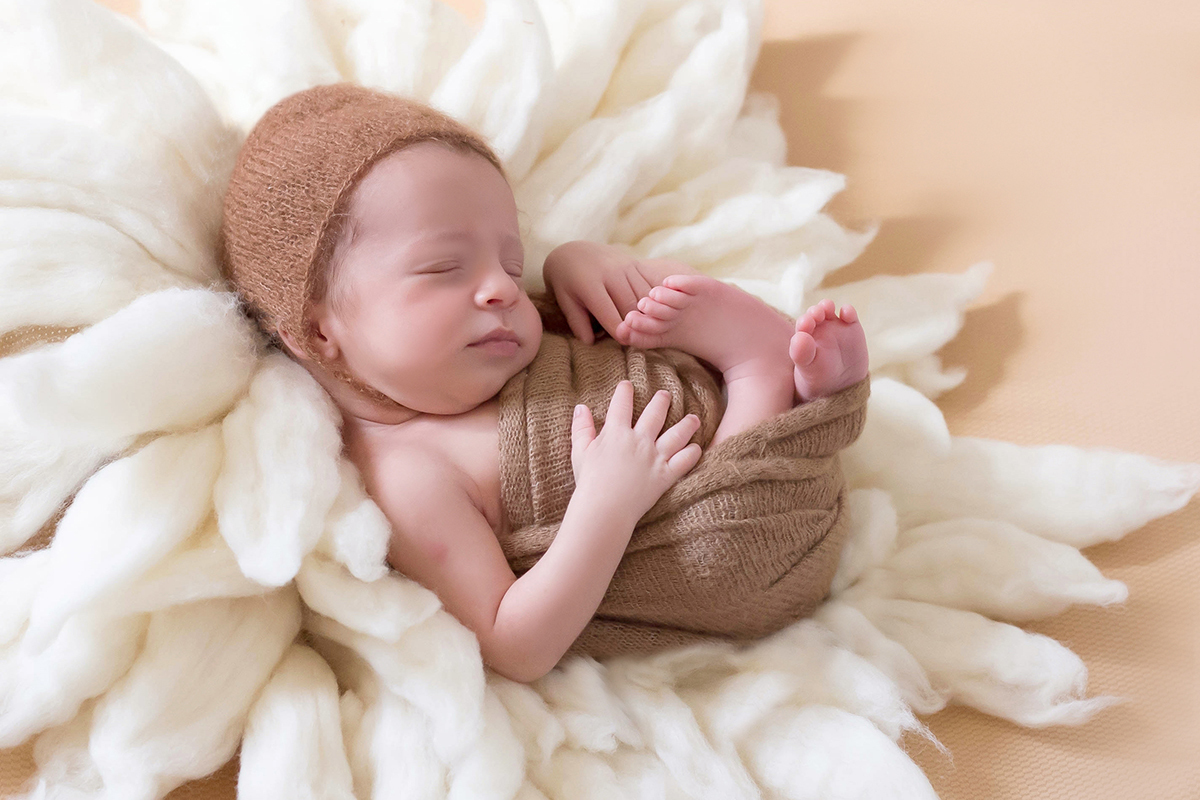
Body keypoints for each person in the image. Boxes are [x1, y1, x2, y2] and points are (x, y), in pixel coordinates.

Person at [220, 83, 869, 683]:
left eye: (511, 261)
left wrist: (577, 265)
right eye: (444, 267)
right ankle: (759, 371)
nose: (502, 289)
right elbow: (514, 645)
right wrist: (606, 505)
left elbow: (578, 322)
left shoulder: (482, 345)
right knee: (723, 548)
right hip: (729, 543)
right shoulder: (408, 476)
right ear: (318, 331)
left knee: (653, 304)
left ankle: (777, 379)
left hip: (707, 419)